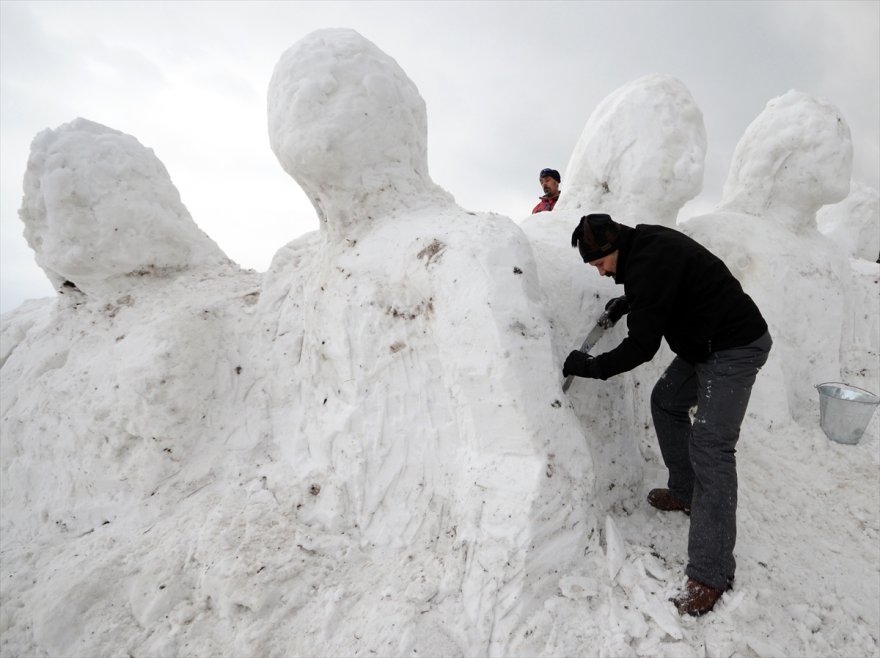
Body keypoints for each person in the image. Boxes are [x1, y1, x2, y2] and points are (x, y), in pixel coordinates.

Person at [563, 213, 772, 617]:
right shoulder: (644, 247)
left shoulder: (647, 263)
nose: (602, 273)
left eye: (599, 264)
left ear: (613, 250)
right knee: (666, 401)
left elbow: (641, 348)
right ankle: (685, 491)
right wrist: (630, 301)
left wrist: (589, 366)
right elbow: (664, 288)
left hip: (735, 347)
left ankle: (711, 574)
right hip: (706, 343)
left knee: (711, 448)